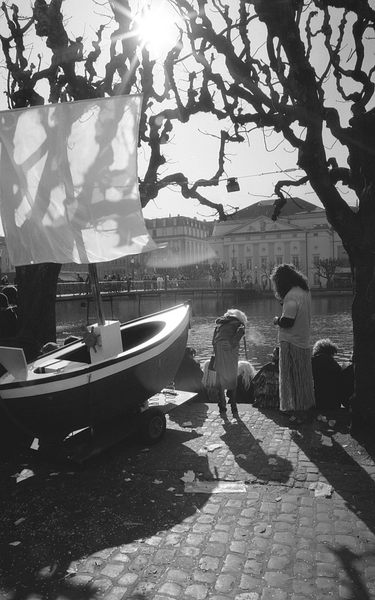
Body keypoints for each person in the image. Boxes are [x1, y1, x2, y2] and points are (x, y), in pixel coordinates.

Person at [270, 263, 315, 422]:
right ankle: (306, 406)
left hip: (290, 341)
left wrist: (277, 320)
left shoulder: (291, 295)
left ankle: (293, 409)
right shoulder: (304, 291)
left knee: (291, 378)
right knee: (303, 377)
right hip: (303, 339)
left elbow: (288, 321)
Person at [212, 308, 247, 417]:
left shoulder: (221, 323)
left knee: (220, 376)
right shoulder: (238, 322)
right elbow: (241, 331)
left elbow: (213, 340)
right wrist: (232, 343)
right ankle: (233, 406)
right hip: (229, 349)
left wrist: (217, 348)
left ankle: (222, 406)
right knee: (232, 376)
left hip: (218, 347)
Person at [312, 338, 345, 410]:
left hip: (316, 403)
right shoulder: (336, 366)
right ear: (332, 352)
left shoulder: (311, 363)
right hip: (334, 404)